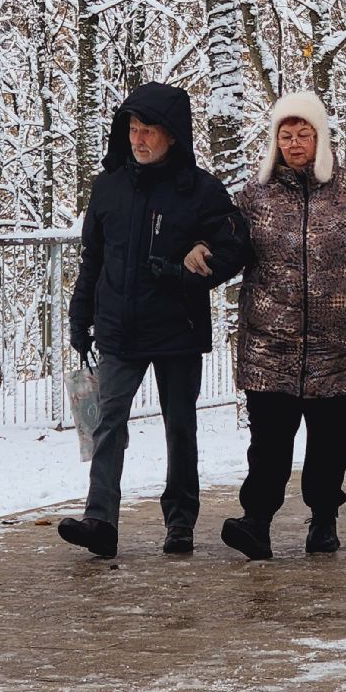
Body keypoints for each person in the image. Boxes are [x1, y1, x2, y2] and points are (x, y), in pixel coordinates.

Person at [62, 82, 248, 559]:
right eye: (132, 129)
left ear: (173, 136)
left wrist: (195, 265)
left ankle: (180, 523)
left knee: (180, 427)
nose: (138, 139)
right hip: (119, 330)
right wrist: (79, 317)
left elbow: (235, 246)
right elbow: (92, 259)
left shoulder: (201, 189)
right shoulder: (108, 186)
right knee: (106, 423)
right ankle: (99, 520)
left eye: (149, 131)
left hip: (178, 331)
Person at [218, 91, 346, 560]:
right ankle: (255, 523)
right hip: (269, 346)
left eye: (303, 134)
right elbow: (227, 248)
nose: (294, 142)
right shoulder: (253, 196)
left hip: (340, 347)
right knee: (268, 446)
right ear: (274, 140)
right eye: (286, 134)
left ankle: (324, 519)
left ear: (320, 138)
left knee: (328, 446)